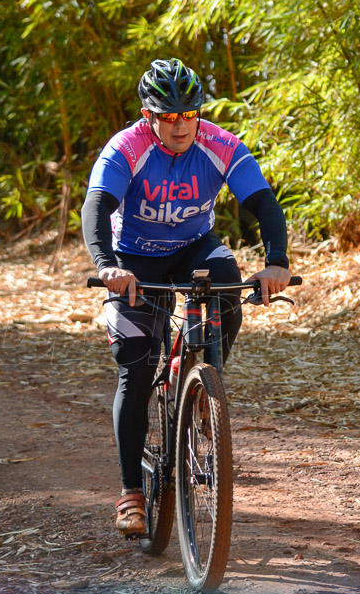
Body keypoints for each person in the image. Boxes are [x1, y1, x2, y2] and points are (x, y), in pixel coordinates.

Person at [82, 58, 291, 536]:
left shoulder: (220, 144)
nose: (180, 126)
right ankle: (131, 491)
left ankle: (203, 382)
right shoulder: (126, 148)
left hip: (195, 247)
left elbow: (261, 201)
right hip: (132, 257)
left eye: (189, 114)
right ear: (148, 114)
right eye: (169, 116)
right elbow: (97, 206)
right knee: (135, 370)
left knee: (228, 288)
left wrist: (276, 260)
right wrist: (106, 266)